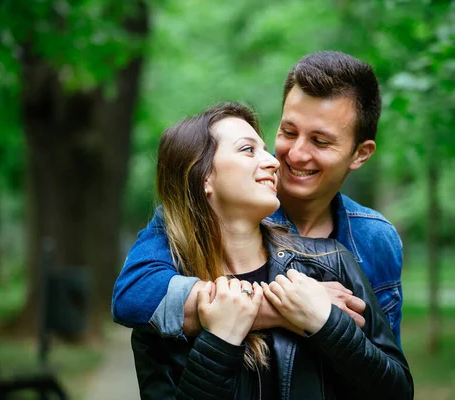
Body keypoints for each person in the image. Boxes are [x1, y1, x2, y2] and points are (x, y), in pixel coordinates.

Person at [113, 50, 404, 346]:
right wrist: (283, 308)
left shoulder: (375, 238)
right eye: (289, 132)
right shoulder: (212, 211)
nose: (295, 154)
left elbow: (383, 363)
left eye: (320, 141)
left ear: (360, 154)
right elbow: (132, 296)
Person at [131, 102, 412, 399]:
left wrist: (325, 323)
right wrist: (219, 342)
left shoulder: (332, 263)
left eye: (265, 149)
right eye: (248, 150)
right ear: (204, 178)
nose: (275, 161)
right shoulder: (163, 312)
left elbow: (397, 392)